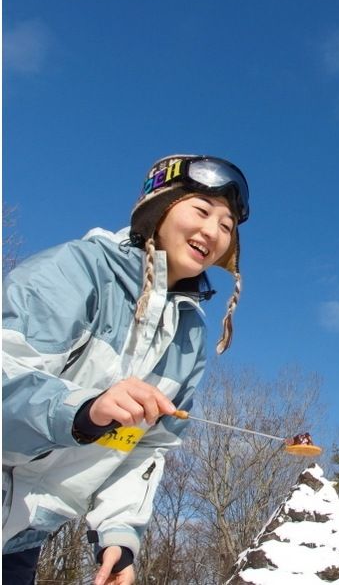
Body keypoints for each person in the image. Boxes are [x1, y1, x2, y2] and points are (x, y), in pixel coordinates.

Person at [2, 154, 250, 585]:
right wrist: (84, 409)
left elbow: (145, 448)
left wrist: (117, 536)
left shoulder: (189, 337)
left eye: (227, 226)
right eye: (201, 210)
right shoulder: (75, 271)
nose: (213, 232)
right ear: (159, 209)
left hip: (19, 543)